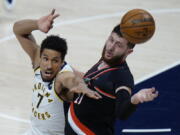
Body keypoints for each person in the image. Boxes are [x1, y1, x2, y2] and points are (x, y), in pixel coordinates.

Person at [13, 9, 101, 135]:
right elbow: (17, 30)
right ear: (41, 57)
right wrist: (37, 24)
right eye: (46, 59)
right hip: (33, 131)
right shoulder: (38, 62)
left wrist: (81, 85)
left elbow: (71, 80)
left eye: (55, 61)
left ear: (62, 62)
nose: (49, 65)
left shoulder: (63, 76)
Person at [65, 24, 159, 134]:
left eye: (118, 45)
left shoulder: (123, 76)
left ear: (128, 52)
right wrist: (64, 67)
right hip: (72, 126)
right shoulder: (107, 59)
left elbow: (122, 112)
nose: (110, 47)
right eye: (111, 40)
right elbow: (90, 79)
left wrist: (135, 99)